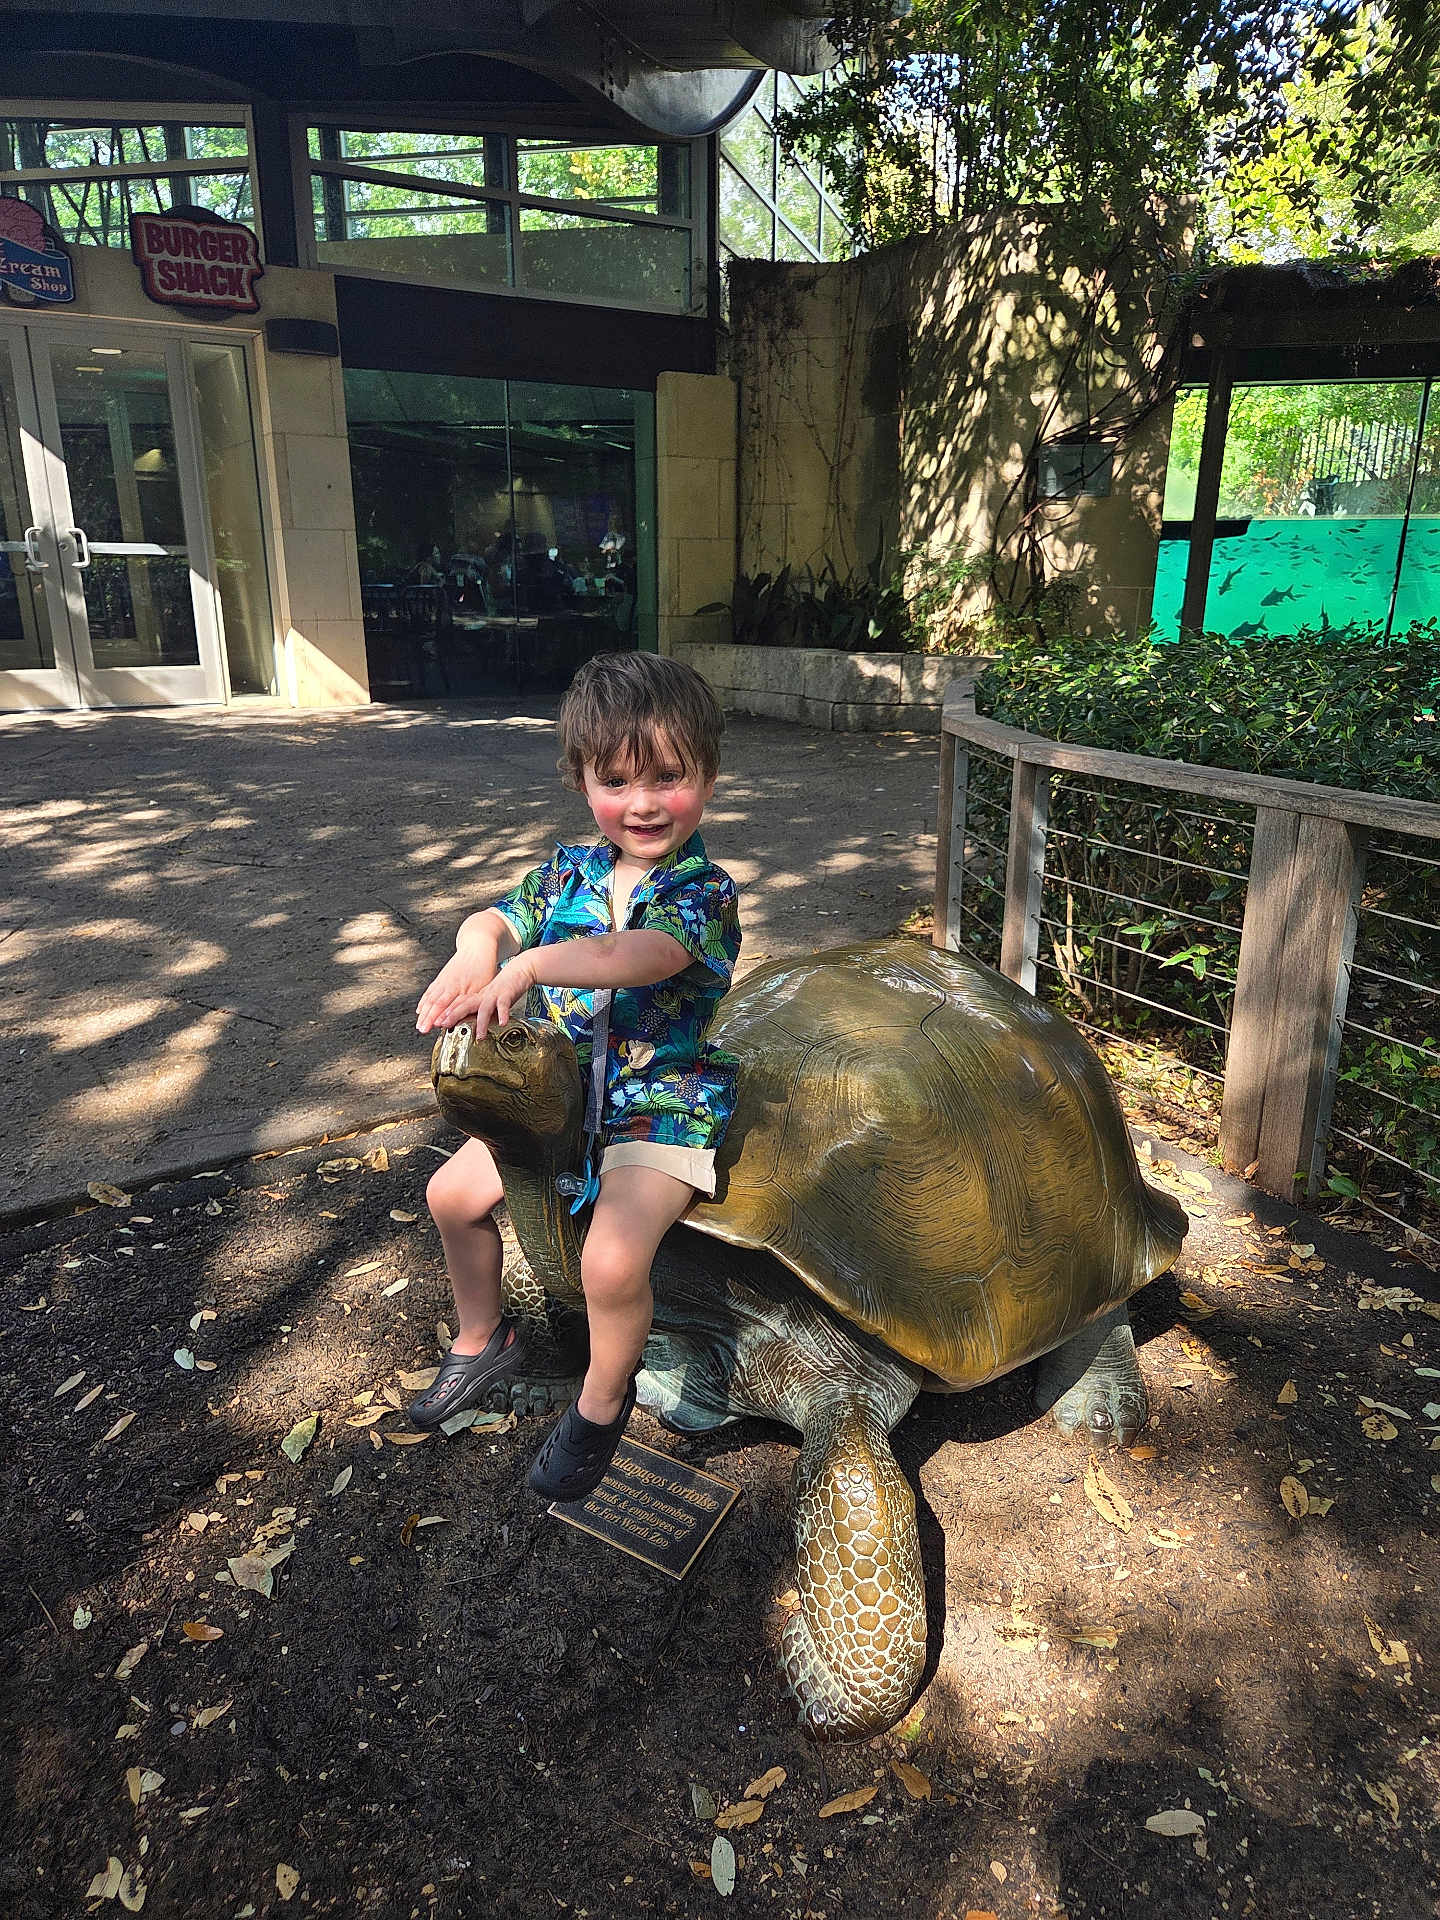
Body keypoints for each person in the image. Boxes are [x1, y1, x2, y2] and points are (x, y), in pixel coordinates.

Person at [409, 651, 742, 1500]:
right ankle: (485, 1336)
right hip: (560, 1103)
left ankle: (601, 1400)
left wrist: (528, 970)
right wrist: (478, 947)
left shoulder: (703, 890)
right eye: (616, 779)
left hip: (655, 1109)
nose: (642, 803)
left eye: (669, 776)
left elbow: (638, 955)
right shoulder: (568, 871)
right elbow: (495, 915)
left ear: (707, 774)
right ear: (580, 778)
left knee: (610, 1260)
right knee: (449, 1195)